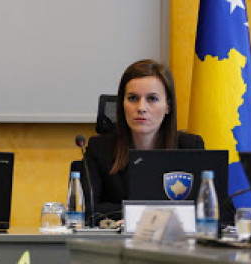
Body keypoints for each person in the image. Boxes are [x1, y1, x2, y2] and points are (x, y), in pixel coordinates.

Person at [84, 59, 204, 222]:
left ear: (168, 106)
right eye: (133, 98)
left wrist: (135, 212)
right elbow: (85, 208)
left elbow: (215, 208)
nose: (141, 108)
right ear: (122, 104)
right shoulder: (99, 149)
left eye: (152, 99)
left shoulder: (190, 147)